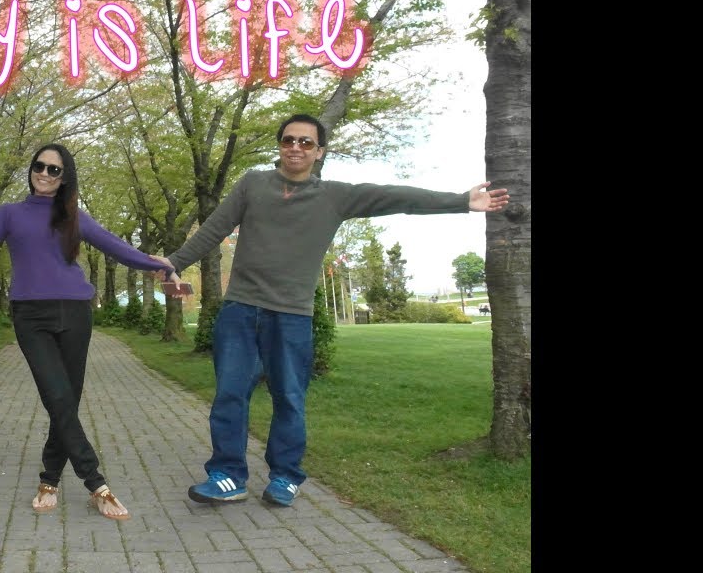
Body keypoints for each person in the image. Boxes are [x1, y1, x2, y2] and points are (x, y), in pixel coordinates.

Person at [163, 113, 509, 508]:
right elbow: (213, 229)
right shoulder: (252, 184)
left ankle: (285, 476)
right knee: (229, 395)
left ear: (319, 152)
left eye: (306, 143)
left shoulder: (334, 196)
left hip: (291, 316)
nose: (296, 147)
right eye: (289, 140)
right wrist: (172, 261)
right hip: (240, 310)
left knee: (289, 397)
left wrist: (462, 202)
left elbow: (397, 197)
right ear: (280, 145)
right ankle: (227, 475)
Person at [0, 143, 179, 521]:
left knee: (65, 402)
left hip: (76, 313)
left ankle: (49, 479)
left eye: (55, 170)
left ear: (65, 178)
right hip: (30, 317)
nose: (45, 174)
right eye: (40, 166)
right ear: (31, 169)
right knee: (57, 397)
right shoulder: (9, 214)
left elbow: (114, 245)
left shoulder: (73, 216)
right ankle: (96, 483)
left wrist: (153, 263)